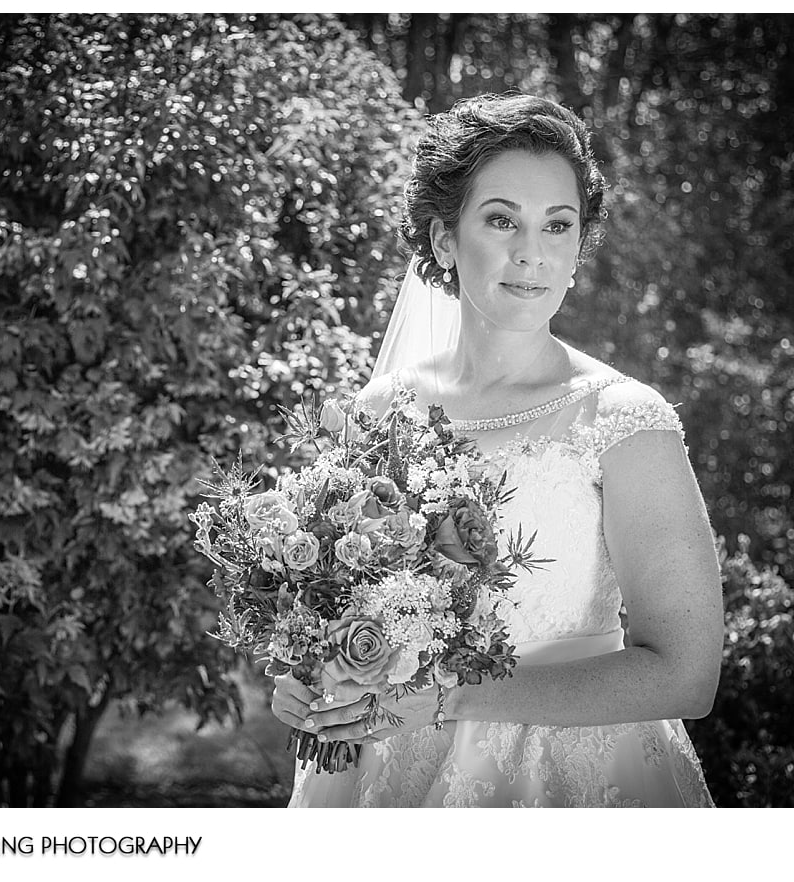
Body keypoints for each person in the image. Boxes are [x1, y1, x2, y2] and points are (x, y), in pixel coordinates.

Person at [270, 93, 722, 807]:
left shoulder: (625, 423)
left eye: (558, 225)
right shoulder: (380, 409)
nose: (531, 253)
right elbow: (340, 604)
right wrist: (306, 674)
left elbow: (685, 676)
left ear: (579, 246)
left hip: (567, 779)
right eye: (502, 219)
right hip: (386, 774)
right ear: (445, 239)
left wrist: (451, 699)